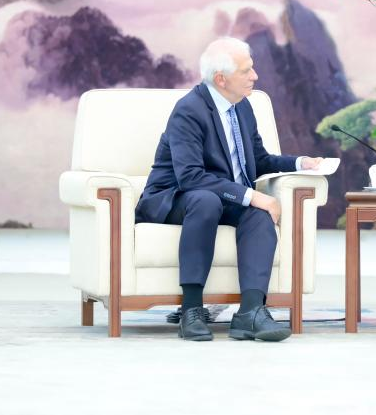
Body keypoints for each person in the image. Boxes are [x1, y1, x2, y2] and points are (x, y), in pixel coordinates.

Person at [135, 37, 323, 342]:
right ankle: (191, 311)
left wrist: (301, 163)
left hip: (221, 195)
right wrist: (252, 195)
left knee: (258, 215)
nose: (255, 76)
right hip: (175, 197)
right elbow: (191, 178)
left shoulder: (243, 107)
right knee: (208, 201)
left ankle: (250, 313)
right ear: (221, 79)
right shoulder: (189, 110)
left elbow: (258, 160)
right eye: (246, 71)